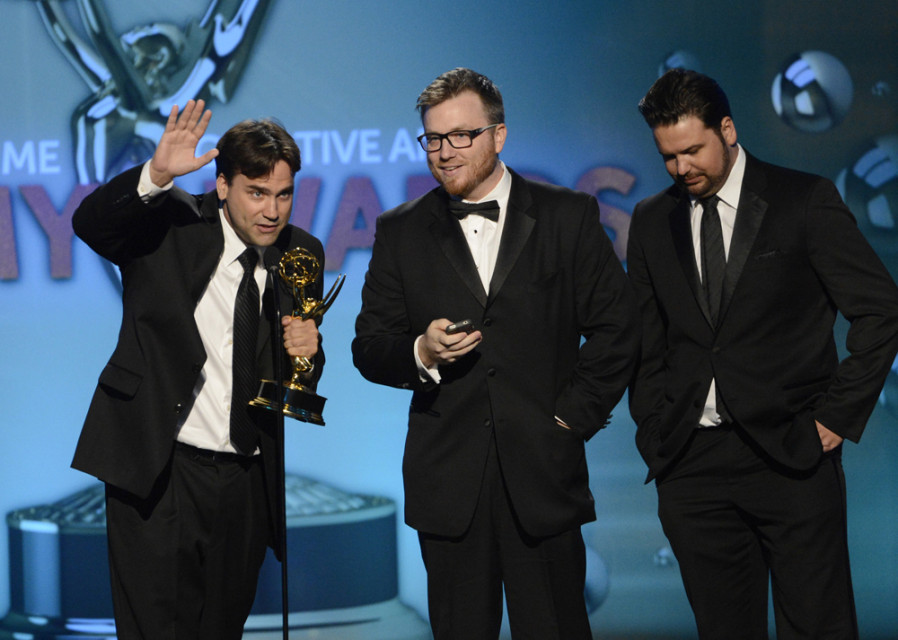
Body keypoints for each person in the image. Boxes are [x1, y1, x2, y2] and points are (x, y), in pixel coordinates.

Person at [352, 67, 639, 640]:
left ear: (499, 135)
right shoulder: (400, 231)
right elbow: (369, 347)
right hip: (448, 486)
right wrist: (422, 351)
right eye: (433, 138)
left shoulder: (567, 215)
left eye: (461, 135)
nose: (445, 151)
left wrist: (570, 418)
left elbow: (619, 326)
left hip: (544, 473)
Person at [627, 68, 898, 640]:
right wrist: (653, 427)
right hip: (691, 464)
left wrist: (836, 416)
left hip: (792, 454)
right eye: (668, 157)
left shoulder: (804, 200)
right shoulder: (653, 220)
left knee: (818, 627)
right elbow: (646, 341)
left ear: (727, 129)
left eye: (693, 150)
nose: (682, 169)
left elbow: (880, 310)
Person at [72, 99, 325, 639]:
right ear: (223, 185)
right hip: (161, 470)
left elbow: (296, 380)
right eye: (257, 193)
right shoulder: (168, 224)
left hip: (246, 480)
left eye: (283, 195)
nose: (272, 211)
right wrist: (156, 174)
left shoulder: (302, 253)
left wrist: (308, 353)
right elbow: (89, 224)